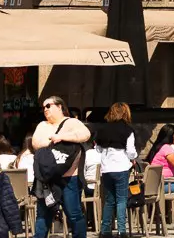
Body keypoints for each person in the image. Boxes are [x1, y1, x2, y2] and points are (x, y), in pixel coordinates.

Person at [32, 96, 91, 238]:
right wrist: (52, 140)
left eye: (48, 106)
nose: (45, 109)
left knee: (74, 214)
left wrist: (63, 137)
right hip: (47, 178)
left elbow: (85, 134)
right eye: (43, 107)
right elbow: (36, 143)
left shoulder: (71, 122)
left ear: (59, 106)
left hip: (69, 178)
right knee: (43, 215)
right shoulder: (42, 125)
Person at [90, 104, 136, 236]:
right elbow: (131, 151)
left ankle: (105, 230)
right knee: (121, 200)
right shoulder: (128, 130)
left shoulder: (102, 129)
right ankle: (122, 231)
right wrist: (133, 158)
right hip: (121, 167)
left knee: (109, 200)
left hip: (106, 169)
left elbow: (98, 149)